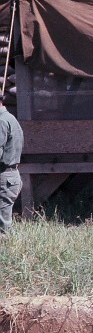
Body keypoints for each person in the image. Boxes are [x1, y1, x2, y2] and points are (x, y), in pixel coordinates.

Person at [0, 96, 23, 237]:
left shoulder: (1, 121)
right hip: (11, 175)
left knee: (3, 227)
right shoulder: (11, 118)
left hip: (4, 176)